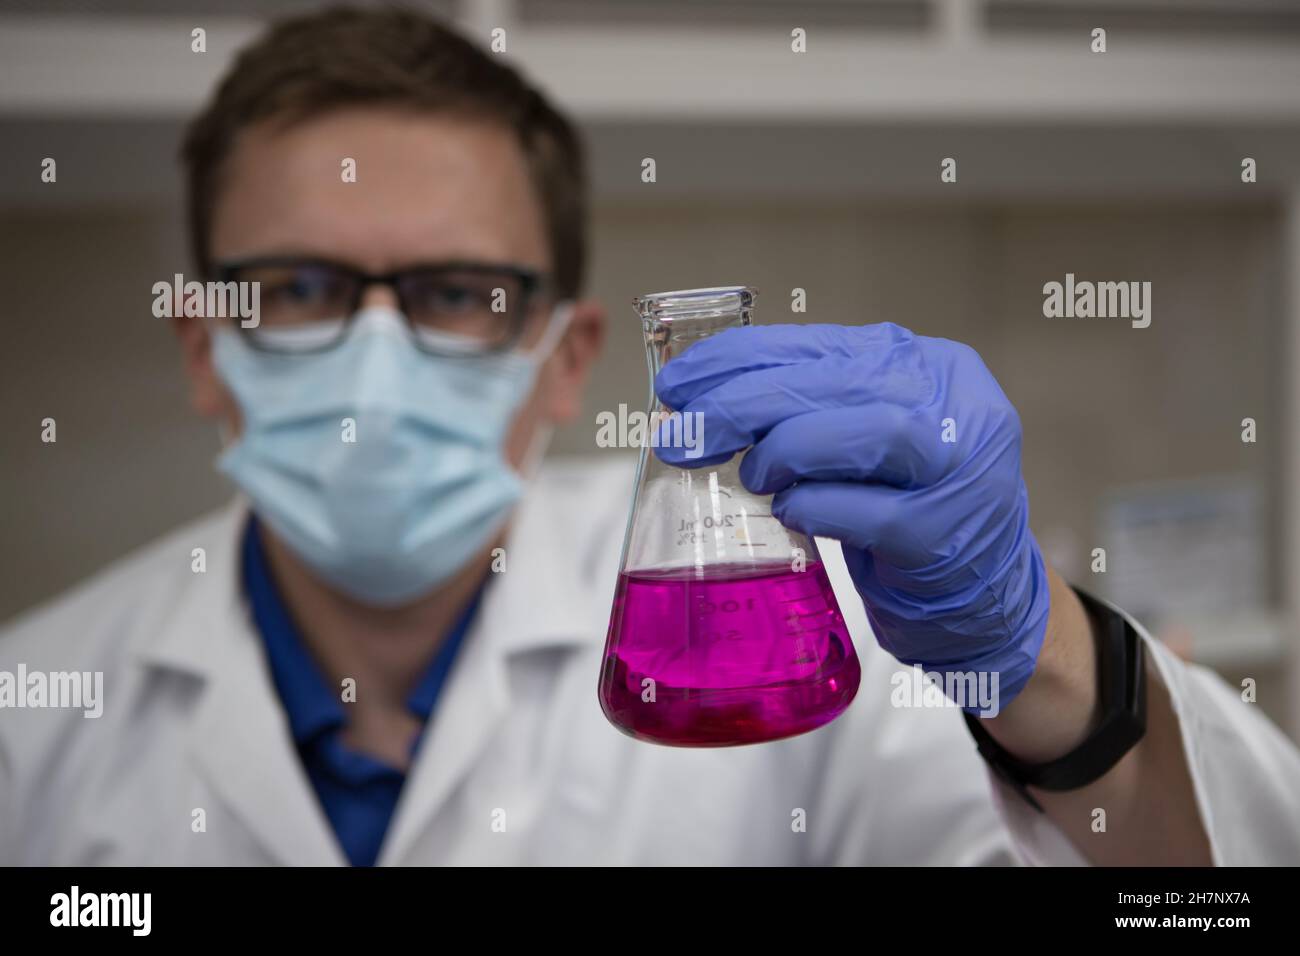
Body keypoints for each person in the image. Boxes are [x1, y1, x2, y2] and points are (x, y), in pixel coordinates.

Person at [1, 5, 1297, 867]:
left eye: (459, 294)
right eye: (304, 288)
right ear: (203, 344)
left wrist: (1040, 664)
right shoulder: (29, 724)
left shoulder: (802, 664)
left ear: (567, 358)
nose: (375, 355)